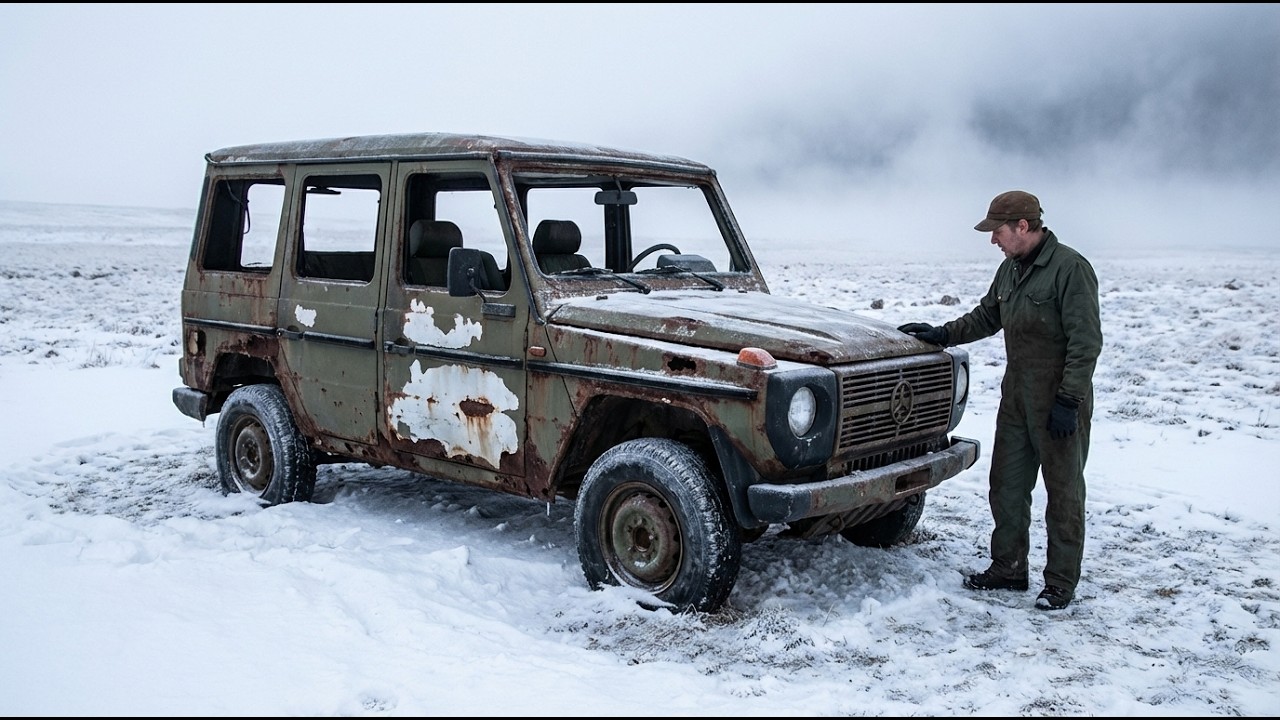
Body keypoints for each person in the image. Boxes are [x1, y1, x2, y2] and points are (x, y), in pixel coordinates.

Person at [897, 190, 1101, 611]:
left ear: (1022, 227)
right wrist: (942, 333)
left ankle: (1060, 582)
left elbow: (1086, 344)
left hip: (1059, 400)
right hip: (1017, 398)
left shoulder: (1071, 270)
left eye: (998, 232)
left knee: (1063, 494)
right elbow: (987, 316)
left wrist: (1069, 400)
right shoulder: (1011, 270)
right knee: (1006, 485)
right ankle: (1008, 568)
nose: (994, 241)